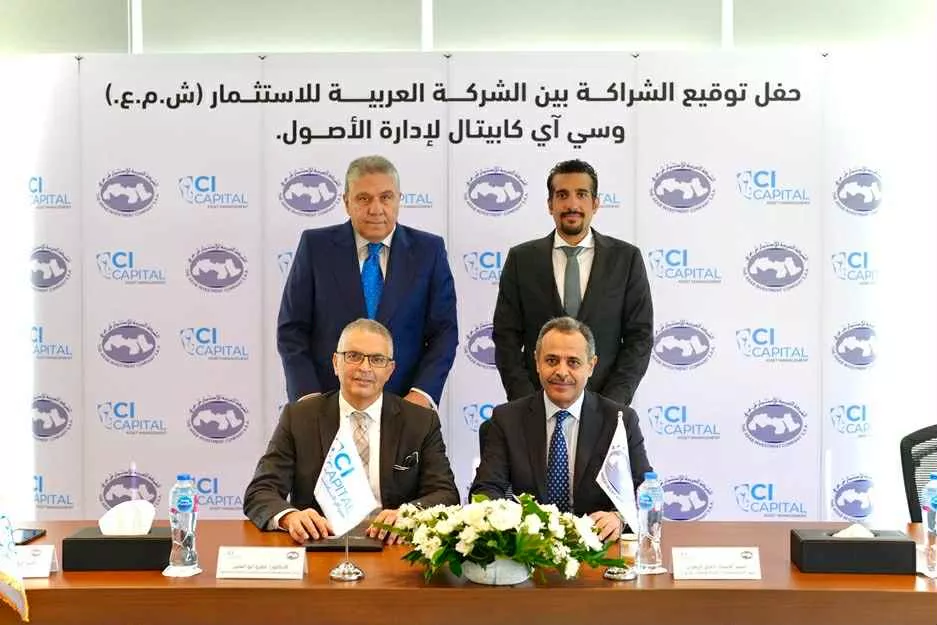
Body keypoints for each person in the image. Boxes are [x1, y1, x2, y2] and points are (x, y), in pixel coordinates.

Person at [244, 319, 460, 544]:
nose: (364, 368)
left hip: (392, 546)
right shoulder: (299, 418)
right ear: (336, 363)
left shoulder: (420, 421)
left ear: (390, 370)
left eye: (377, 359)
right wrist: (290, 517)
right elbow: (260, 491)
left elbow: (446, 494)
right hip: (320, 543)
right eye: (354, 356)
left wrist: (408, 515)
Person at [277, 155, 458, 409]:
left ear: (399, 199)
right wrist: (308, 398)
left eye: (386, 197)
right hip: (327, 408)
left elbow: (444, 333)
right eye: (364, 198)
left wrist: (421, 395)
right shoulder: (316, 248)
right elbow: (292, 330)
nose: (376, 209)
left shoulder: (429, 251)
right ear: (346, 202)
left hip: (404, 408)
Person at [471, 317, 653, 541]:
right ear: (537, 362)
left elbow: (646, 490)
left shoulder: (620, 421)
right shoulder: (507, 420)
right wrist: (507, 523)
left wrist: (619, 517)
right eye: (551, 360)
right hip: (528, 547)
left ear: (591, 366)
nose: (561, 371)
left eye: (573, 362)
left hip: (596, 545)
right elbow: (485, 490)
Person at [492, 159, 652, 406]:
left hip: (604, 406)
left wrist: (610, 404)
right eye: (562, 195)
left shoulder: (626, 259)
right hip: (537, 408)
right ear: (550, 204)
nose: (572, 204)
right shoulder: (521, 260)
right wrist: (527, 403)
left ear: (595, 203)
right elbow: (506, 337)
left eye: (581, 194)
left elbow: (639, 337)